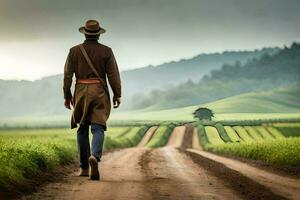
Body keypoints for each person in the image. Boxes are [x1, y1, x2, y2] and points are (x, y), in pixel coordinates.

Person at [63, 19, 121, 180]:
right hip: (99, 91)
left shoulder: (74, 51)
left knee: (82, 128)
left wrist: (67, 95)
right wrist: (117, 94)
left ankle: (83, 168)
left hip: (81, 91)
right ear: (98, 35)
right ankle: (94, 156)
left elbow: (67, 75)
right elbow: (113, 75)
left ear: (85, 33)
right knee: (98, 127)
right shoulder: (107, 51)